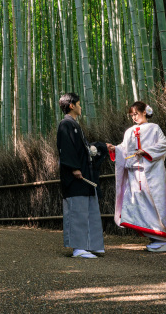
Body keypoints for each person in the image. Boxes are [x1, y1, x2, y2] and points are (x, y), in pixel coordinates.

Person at [113, 101, 166, 252]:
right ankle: (153, 237)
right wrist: (115, 149)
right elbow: (124, 149)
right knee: (140, 205)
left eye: (136, 114)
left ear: (144, 112)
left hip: (152, 173)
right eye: (132, 115)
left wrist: (146, 151)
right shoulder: (129, 132)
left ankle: (162, 239)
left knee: (155, 203)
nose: (134, 117)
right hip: (135, 174)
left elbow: (164, 145)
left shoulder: (154, 128)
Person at [56, 92, 114, 259]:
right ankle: (79, 247)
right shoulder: (65, 124)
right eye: (79, 104)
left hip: (84, 175)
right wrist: (74, 168)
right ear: (72, 105)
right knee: (77, 210)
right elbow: (66, 149)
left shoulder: (74, 125)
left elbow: (86, 149)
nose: (81, 107)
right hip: (75, 176)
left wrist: (103, 146)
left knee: (88, 209)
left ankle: (91, 245)